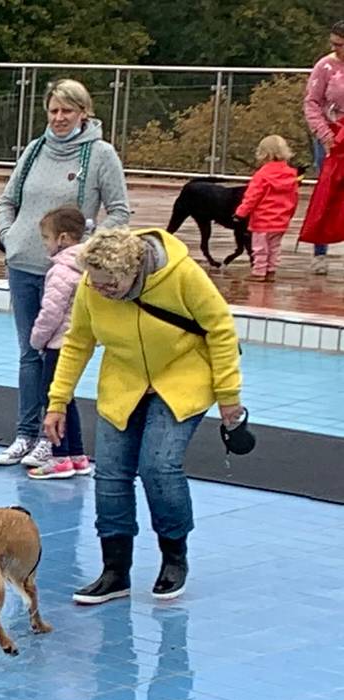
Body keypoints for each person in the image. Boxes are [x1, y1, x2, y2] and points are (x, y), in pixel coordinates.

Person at [45, 226, 246, 605]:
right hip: (124, 383)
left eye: (110, 284)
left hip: (182, 378)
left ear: (132, 271)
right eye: (95, 282)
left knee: (159, 466)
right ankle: (115, 571)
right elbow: (78, 341)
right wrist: (57, 401)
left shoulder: (181, 274)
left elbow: (220, 329)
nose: (100, 290)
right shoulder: (92, 284)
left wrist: (229, 396)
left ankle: (174, 558)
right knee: (110, 474)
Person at [0, 79, 131, 467]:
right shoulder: (35, 150)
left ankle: (50, 439)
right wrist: (8, 236)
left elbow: (120, 211)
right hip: (23, 266)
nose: (58, 118)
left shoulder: (100, 155)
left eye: (67, 111)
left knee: (58, 356)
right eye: (53, 110)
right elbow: (7, 200)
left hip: (67, 275)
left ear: (83, 113)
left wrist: (86, 250)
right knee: (29, 354)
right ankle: (25, 433)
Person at [22, 206, 92, 480]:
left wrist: (36, 339)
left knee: (53, 399)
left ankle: (60, 456)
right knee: (66, 398)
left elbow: (50, 312)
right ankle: (77, 455)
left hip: (57, 344)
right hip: (74, 343)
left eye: (46, 238)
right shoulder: (86, 267)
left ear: (62, 238)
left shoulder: (60, 271)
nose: (45, 244)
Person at [301, 21, 344, 274]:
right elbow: (312, 102)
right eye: (333, 44)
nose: (335, 48)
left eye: (340, 45)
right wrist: (325, 134)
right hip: (331, 135)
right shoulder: (325, 66)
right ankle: (319, 253)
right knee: (326, 193)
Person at [237, 136, 302, 281]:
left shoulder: (262, 175)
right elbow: (294, 198)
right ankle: (271, 271)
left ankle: (259, 272)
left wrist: (241, 213)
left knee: (260, 248)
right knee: (274, 248)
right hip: (281, 221)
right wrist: (289, 215)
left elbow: (252, 197)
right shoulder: (291, 175)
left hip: (262, 220)